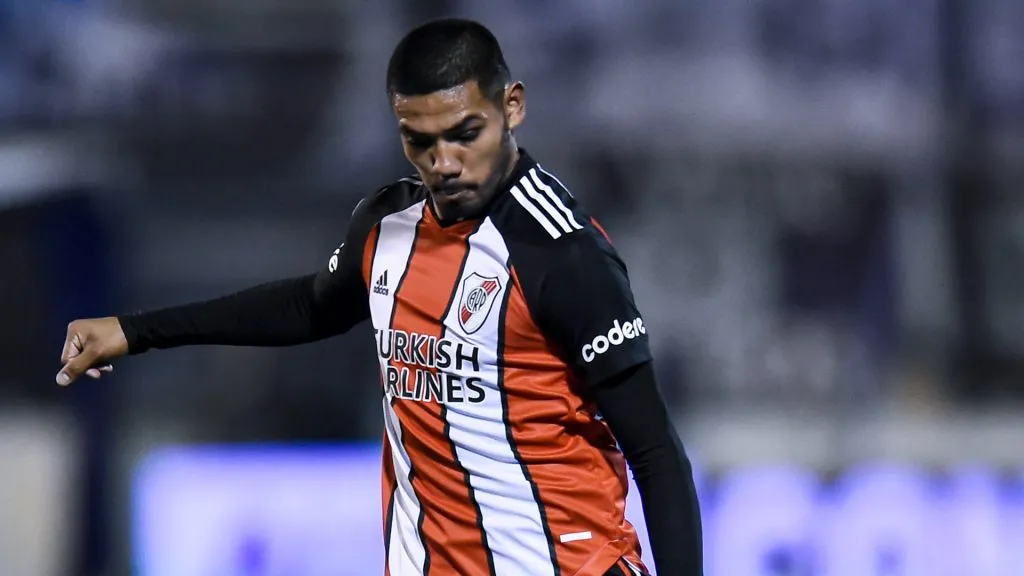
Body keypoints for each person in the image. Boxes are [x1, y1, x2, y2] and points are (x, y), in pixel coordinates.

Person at [56, 18, 703, 576]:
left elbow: (654, 450)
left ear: (513, 107)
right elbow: (310, 306)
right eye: (419, 141)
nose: (443, 161)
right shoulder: (387, 228)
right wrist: (135, 331)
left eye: (464, 133)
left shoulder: (564, 256)